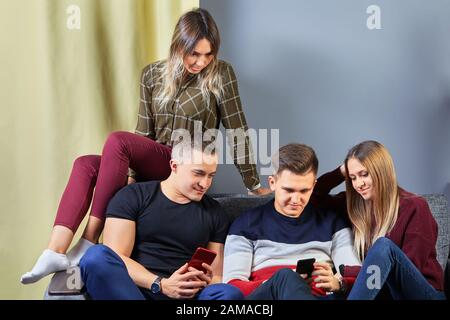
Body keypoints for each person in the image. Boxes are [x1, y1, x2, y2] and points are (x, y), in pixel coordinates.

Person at [21, 8, 270, 284]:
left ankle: (89, 241)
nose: (201, 61)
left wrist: (252, 182)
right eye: (194, 54)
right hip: (159, 163)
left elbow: (237, 129)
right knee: (86, 164)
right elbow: (143, 133)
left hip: (187, 162)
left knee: (117, 140)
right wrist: (131, 178)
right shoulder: (152, 74)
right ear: (178, 46)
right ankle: (55, 249)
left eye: (208, 54)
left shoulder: (221, 74)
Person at [79, 139, 244, 300]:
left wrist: (207, 282)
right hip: (136, 290)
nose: (205, 183)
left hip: (186, 296)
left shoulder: (215, 212)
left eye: (211, 176)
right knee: (96, 257)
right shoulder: (133, 196)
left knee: (228, 294)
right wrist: (161, 284)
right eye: (198, 173)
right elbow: (116, 257)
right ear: (174, 166)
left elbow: (216, 275)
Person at [222, 143, 361, 300]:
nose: (296, 200)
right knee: (286, 277)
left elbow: (357, 276)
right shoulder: (246, 224)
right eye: (288, 190)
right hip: (270, 299)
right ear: (272, 183)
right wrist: (281, 283)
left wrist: (338, 283)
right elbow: (233, 285)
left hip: (320, 297)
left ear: (313, 186)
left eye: (304, 191)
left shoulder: (333, 223)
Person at [312, 140, 445, 300]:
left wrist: (347, 271)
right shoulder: (355, 206)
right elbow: (312, 197)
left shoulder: (415, 206)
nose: (358, 184)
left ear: (381, 171)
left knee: (383, 247)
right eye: (353, 178)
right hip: (383, 291)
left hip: (421, 293)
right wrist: (341, 171)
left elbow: (406, 271)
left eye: (364, 174)